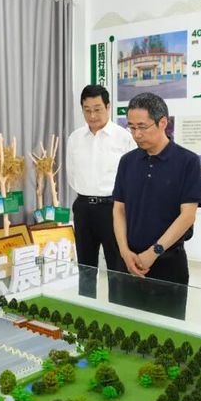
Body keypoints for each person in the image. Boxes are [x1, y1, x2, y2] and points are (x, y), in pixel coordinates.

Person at [112, 92, 201, 319]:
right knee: (126, 328)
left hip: (168, 262)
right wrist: (124, 252)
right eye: (131, 127)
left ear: (163, 122)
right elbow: (119, 209)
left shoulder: (187, 162)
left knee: (166, 332)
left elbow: (187, 216)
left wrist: (154, 252)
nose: (136, 134)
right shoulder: (127, 162)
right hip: (129, 261)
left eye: (142, 127)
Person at [66, 85, 135, 298]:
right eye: (87, 110)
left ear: (108, 106)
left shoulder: (123, 137)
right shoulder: (75, 138)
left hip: (113, 209)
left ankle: (117, 307)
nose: (92, 115)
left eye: (97, 109)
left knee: (116, 264)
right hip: (83, 208)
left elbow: (132, 177)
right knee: (85, 265)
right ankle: (86, 306)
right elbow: (71, 174)